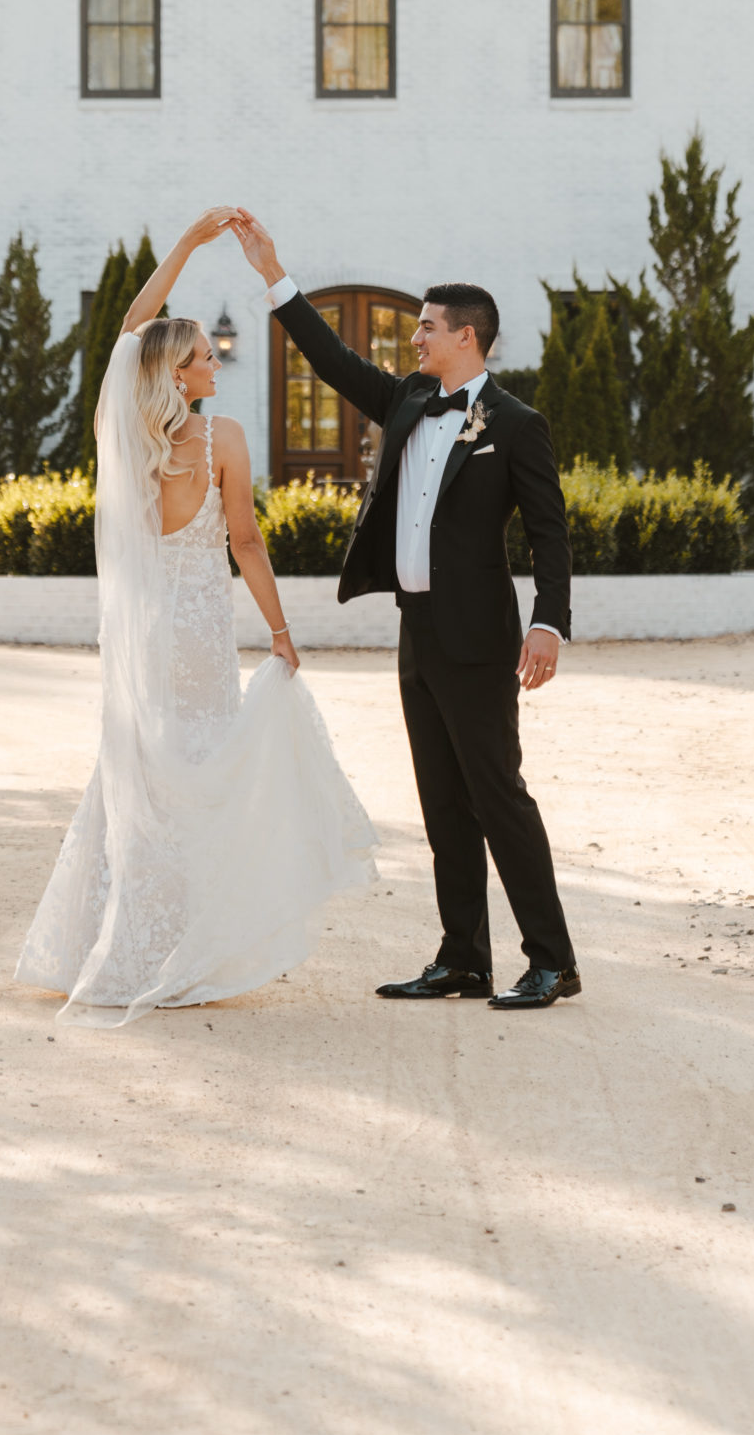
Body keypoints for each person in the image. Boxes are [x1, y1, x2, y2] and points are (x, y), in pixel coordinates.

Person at [15, 210, 375, 1027]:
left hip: (144, 633)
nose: (216, 361)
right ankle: (186, 943)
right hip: (202, 635)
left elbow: (129, 332)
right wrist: (280, 634)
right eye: (205, 356)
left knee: (139, 773)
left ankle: (102, 945)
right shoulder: (223, 439)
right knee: (200, 777)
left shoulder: (124, 433)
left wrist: (184, 245)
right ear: (178, 374)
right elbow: (244, 540)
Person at [232, 213, 577, 1010]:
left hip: (480, 640)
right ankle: (463, 958)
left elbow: (549, 536)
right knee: (441, 804)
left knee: (498, 799)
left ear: (466, 337)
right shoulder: (408, 401)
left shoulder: (516, 427)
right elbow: (330, 360)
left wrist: (547, 623)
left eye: (425, 327)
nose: (413, 338)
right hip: (416, 635)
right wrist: (274, 277)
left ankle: (552, 960)